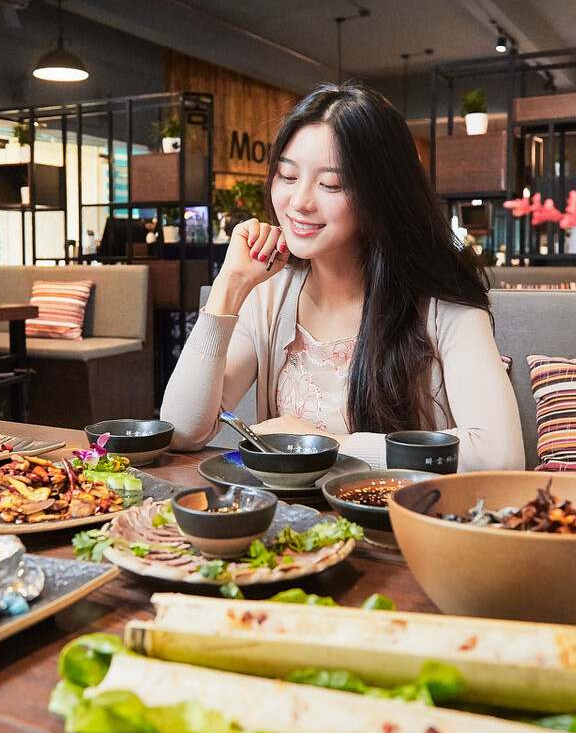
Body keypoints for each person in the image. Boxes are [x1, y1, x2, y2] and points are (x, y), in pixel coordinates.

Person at [160, 82, 524, 471]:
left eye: (330, 184)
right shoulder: (270, 293)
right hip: (295, 526)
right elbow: (181, 430)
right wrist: (229, 285)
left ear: (381, 195)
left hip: (404, 523)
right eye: (287, 176)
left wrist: (322, 446)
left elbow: (499, 457)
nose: (299, 202)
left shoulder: (442, 302)